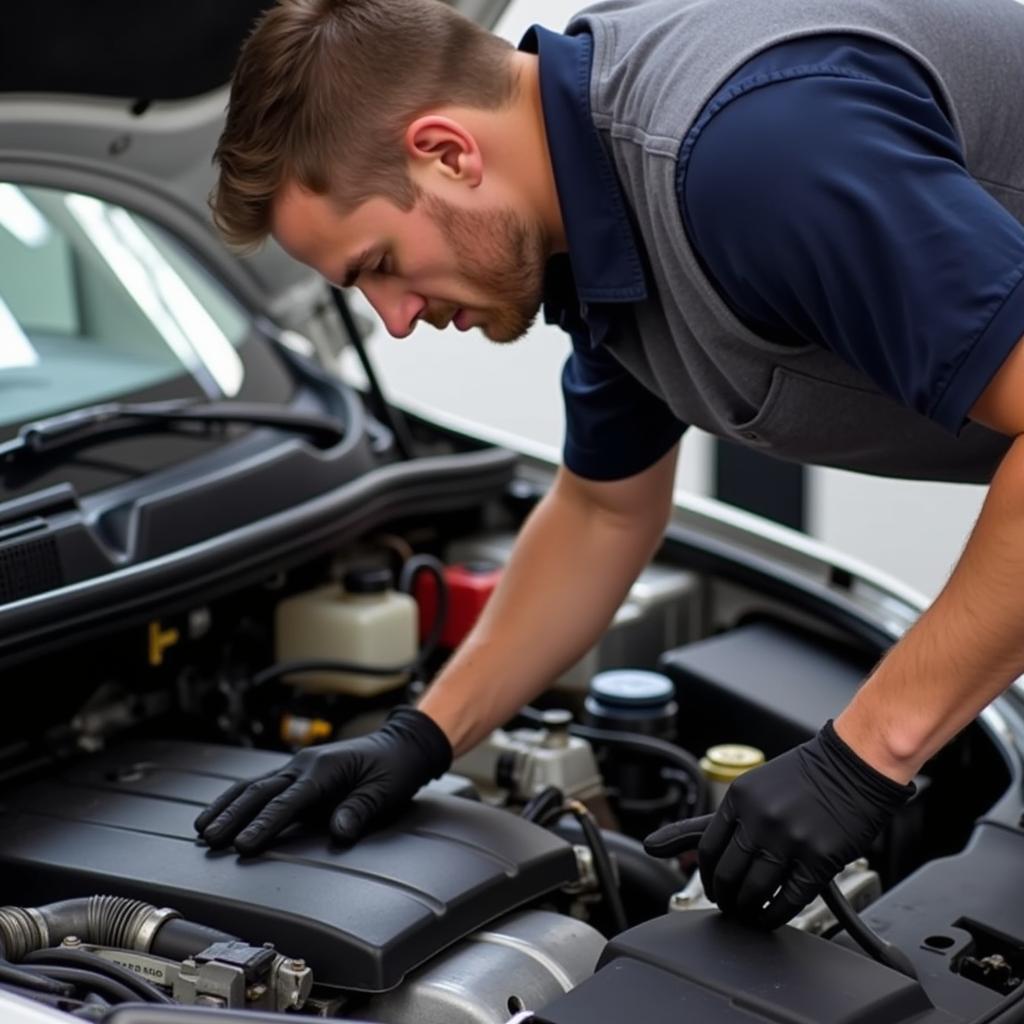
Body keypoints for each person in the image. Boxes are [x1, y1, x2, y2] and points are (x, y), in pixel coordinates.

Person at [194, 0, 1024, 929]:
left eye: (379, 263)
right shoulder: (587, 201)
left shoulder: (749, 154)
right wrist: (421, 735)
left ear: (447, 152)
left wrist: (862, 756)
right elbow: (603, 511)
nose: (393, 318)